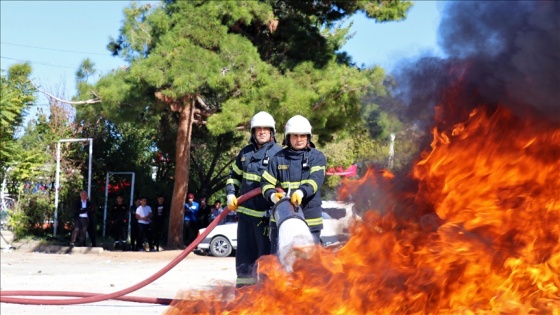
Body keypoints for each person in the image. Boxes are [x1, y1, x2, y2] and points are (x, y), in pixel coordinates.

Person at [226, 111, 282, 287]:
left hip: (266, 219)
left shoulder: (279, 153)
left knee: (267, 262)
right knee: (244, 260)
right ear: (253, 131)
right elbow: (233, 176)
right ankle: (243, 296)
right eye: (258, 129)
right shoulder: (245, 153)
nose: (262, 132)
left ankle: (267, 300)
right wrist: (230, 193)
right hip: (245, 217)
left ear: (272, 132)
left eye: (266, 129)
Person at [261, 115, 326, 254]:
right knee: (279, 265)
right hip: (282, 220)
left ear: (308, 137)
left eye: (303, 135)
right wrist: (272, 196)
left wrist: (301, 192)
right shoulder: (278, 158)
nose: (299, 139)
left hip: (310, 220)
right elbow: (266, 183)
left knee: (309, 266)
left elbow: (316, 180)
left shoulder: (317, 157)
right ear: (288, 137)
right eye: (295, 135)